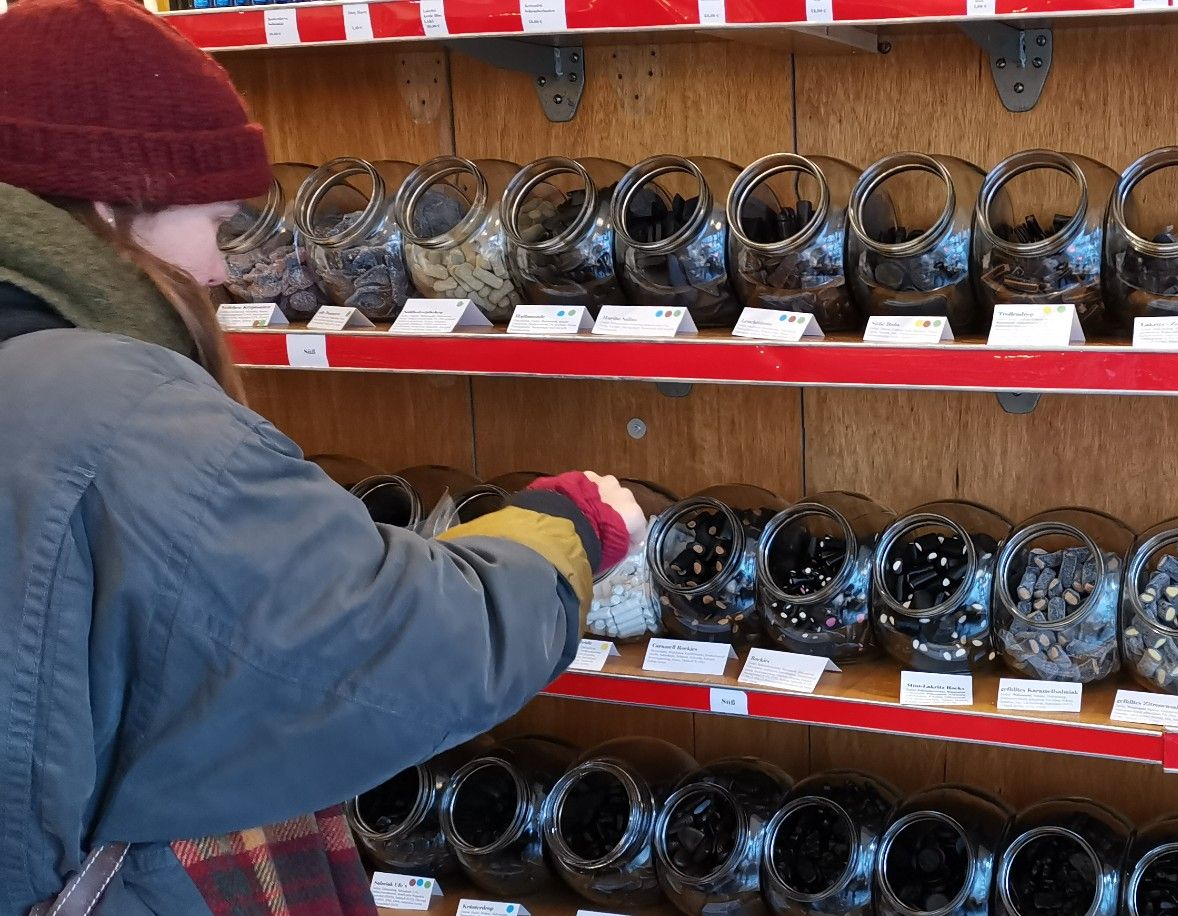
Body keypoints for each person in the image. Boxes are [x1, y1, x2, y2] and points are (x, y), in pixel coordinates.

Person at [0, 1, 646, 913]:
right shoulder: (118, 411)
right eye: (216, 222)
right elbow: (376, 646)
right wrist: (559, 534)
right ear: (108, 203)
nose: (226, 267)